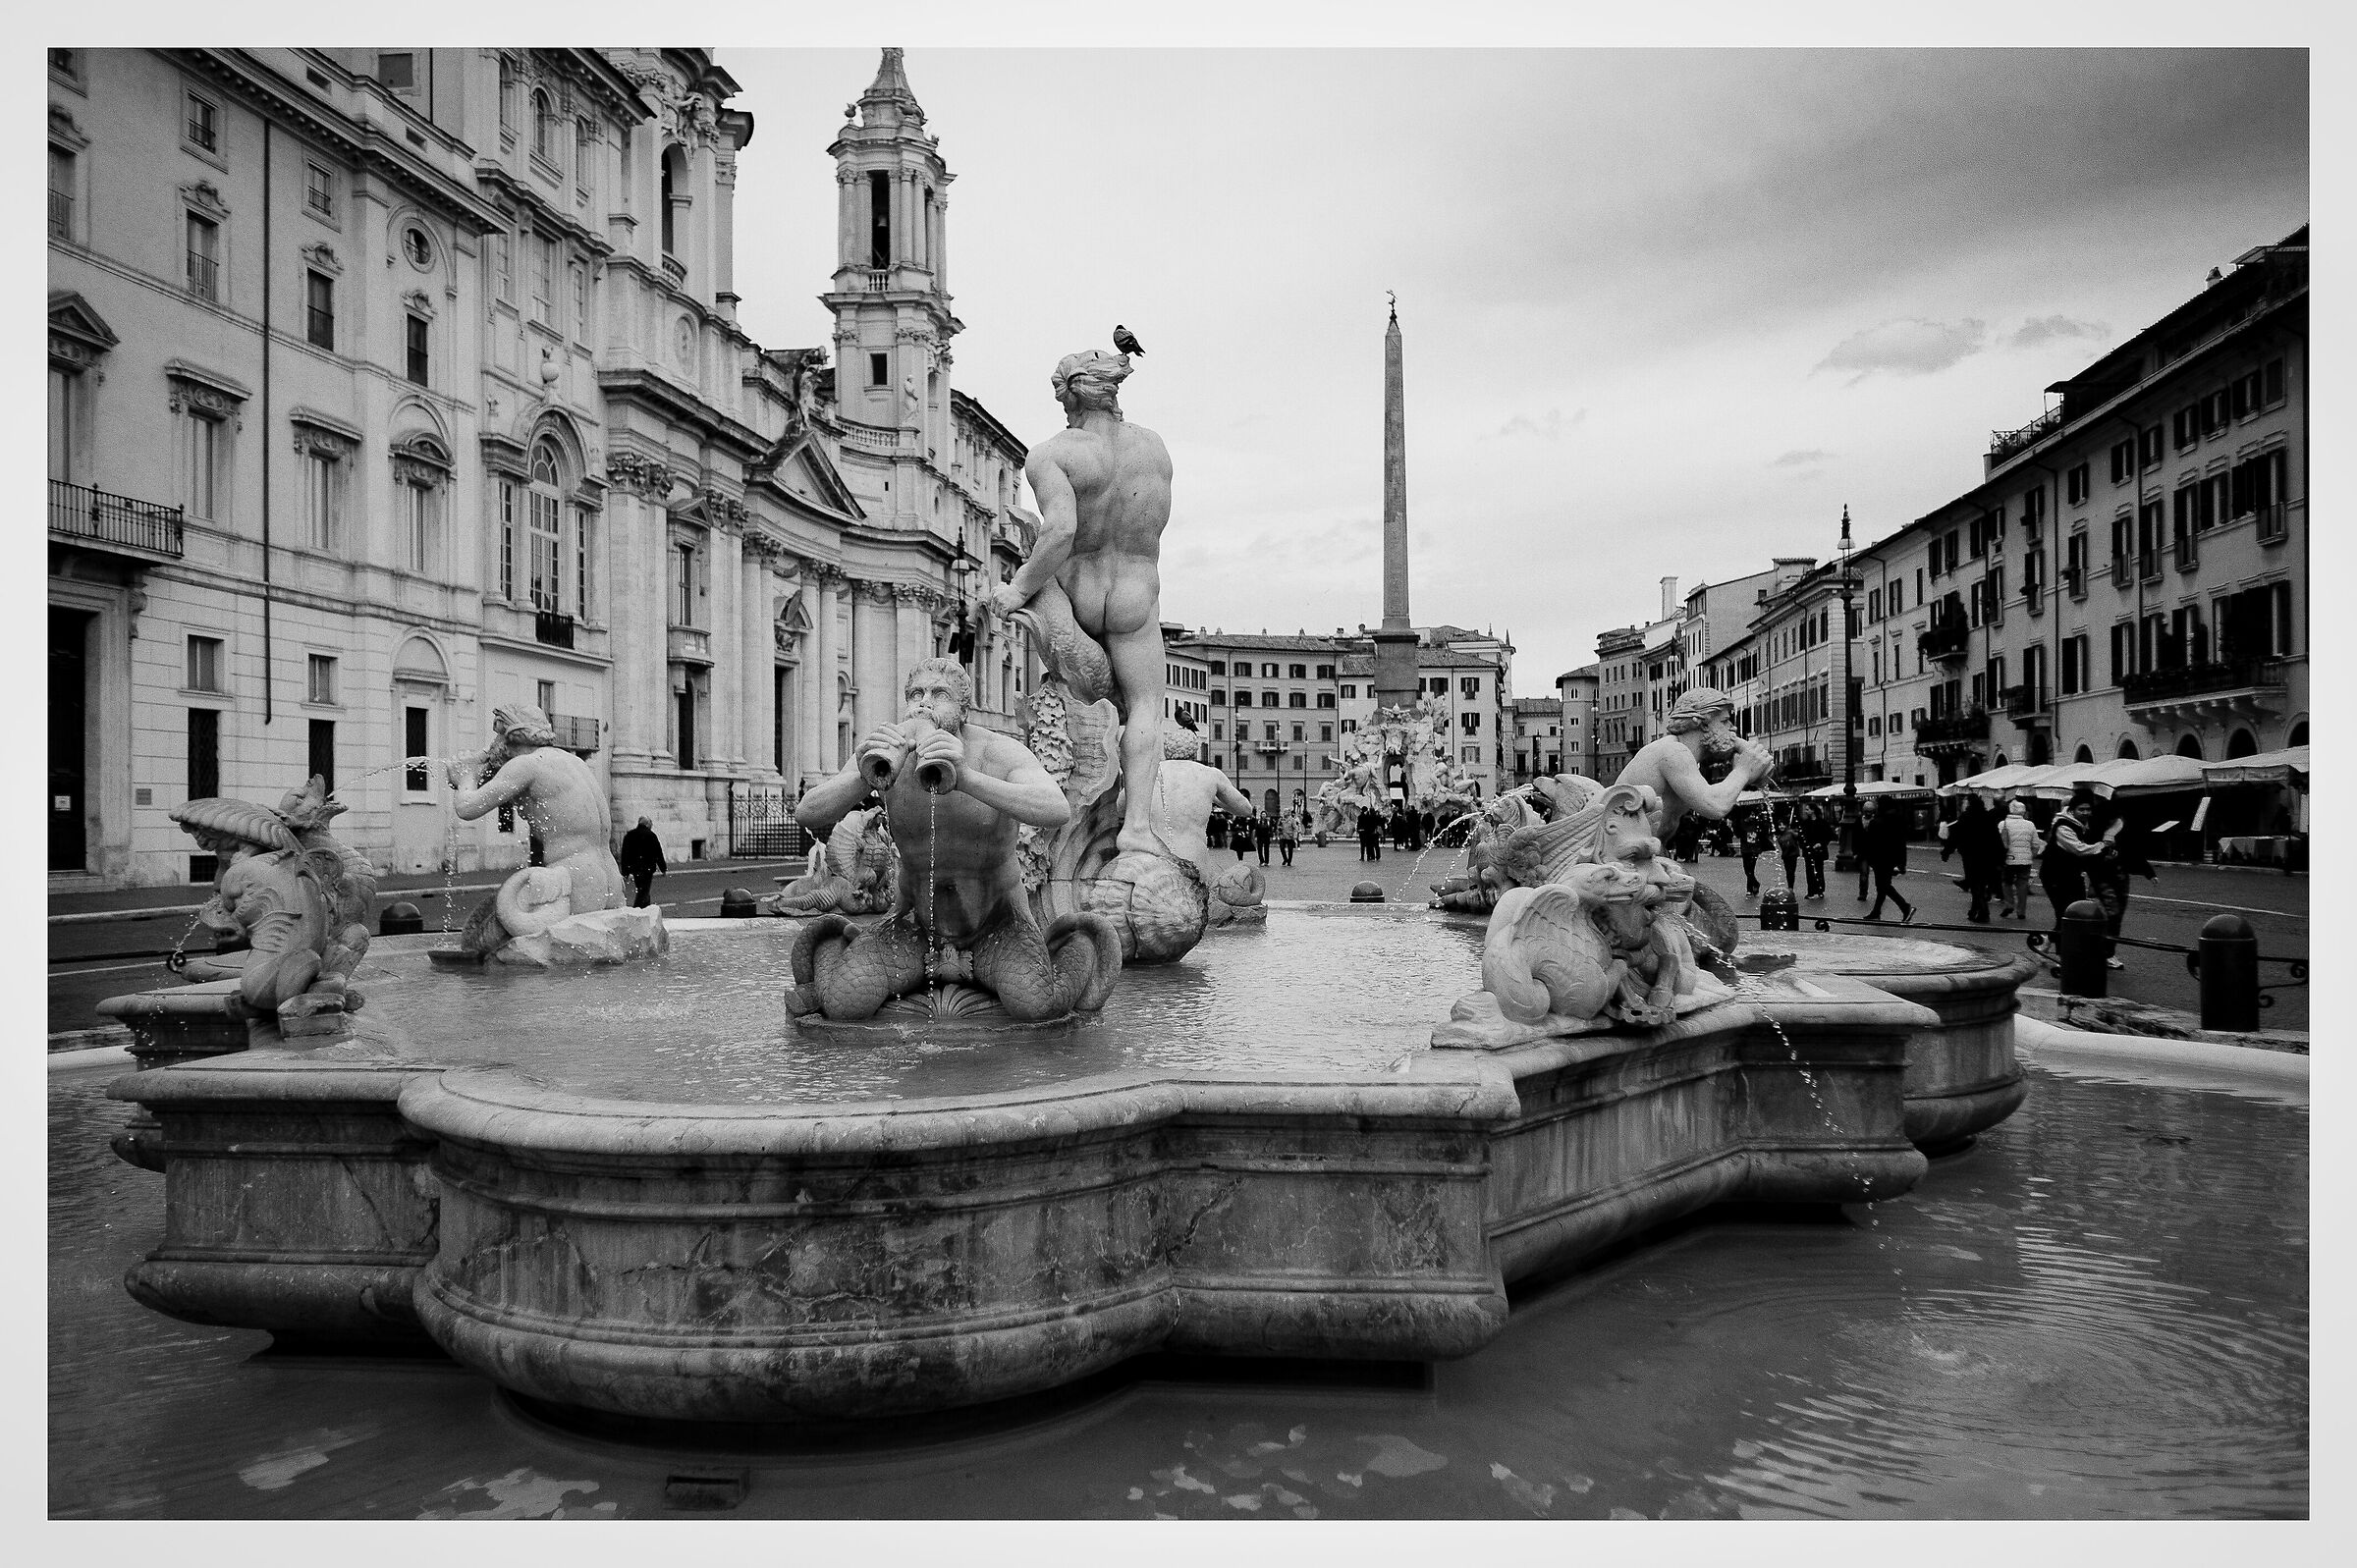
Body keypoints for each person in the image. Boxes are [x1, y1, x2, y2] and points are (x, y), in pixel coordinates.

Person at [793, 659, 1080, 1014]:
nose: (924, 703)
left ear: (963, 710)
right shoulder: (889, 749)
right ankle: (833, 952)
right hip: (915, 923)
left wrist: (966, 777)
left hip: (996, 922)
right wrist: (863, 774)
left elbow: (1056, 809)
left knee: (1036, 1005)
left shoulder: (996, 752)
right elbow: (808, 813)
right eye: (916, 694)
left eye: (938, 694)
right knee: (844, 1005)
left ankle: (1072, 952)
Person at [987, 350, 1173, 858]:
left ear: (1067, 396)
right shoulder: (1154, 449)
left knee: (1067, 702)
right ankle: (1135, 825)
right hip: (1136, 591)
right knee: (1147, 707)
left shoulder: (1051, 454)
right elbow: (1154, 523)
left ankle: (1065, 821)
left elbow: (1062, 530)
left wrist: (1019, 588)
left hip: (1080, 593)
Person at [446, 704, 630, 950]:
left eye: (498, 733)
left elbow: (467, 808)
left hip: (573, 880)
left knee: (479, 939)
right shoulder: (572, 762)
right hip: (610, 882)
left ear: (511, 735)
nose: (494, 744)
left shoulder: (526, 765)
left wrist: (465, 776)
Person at [1612, 687, 1775, 845]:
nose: (1733, 728)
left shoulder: (1686, 759)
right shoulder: (1673, 752)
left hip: (1644, 854)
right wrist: (1743, 771)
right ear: (1703, 724)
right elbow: (1715, 806)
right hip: (1621, 858)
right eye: (1724, 721)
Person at [2083, 803, 2157, 970]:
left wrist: (2149, 872)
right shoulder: (2093, 829)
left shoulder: (2122, 827)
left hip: (2120, 877)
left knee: (2117, 915)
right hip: (2102, 878)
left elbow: (2133, 851)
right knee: (2113, 913)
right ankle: (2106, 952)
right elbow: (2086, 853)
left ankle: (2107, 950)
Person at [2038, 792, 2110, 957]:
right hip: (2055, 876)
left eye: (2088, 809)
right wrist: (2101, 847)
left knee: (2073, 913)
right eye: (2081, 809)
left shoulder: (2082, 824)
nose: (2085, 812)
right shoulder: (2064, 826)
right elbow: (2078, 849)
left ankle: (2046, 944)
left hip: (2072, 875)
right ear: (2072, 810)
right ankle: (2063, 957)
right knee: (2066, 914)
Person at [1942, 796, 2004, 923]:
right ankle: (1974, 911)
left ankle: (1983, 912)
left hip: (1970, 856)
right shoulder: (1987, 817)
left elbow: (1955, 836)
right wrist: (2000, 857)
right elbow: (1996, 839)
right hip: (1987, 856)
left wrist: (1947, 851)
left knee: (1976, 885)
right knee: (1980, 884)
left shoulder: (1966, 817)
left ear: (1969, 804)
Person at [1861, 799, 1916, 924]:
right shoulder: (1898, 821)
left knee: (1883, 886)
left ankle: (1905, 906)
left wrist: (1868, 858)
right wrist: (1902, 863)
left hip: (1879, 859)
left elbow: (1870, 843)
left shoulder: (1877, 822)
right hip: (1892, 859)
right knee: (1882, 886)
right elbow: (1901, 843)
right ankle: (1876, 911)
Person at [1997, 799, 2040, 918]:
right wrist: (2031, 855)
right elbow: (2036, 844)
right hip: (2025, 859)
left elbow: (1999, 843)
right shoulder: (2030, 824)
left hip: (2008, 858)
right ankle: (2021, 911)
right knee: (2022, 884)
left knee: (2006, 882)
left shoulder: (2003, 823)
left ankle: (2009, 904)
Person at [618, 815, 667, 909]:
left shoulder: (630, 835)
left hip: (635, 868)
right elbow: (658, 853)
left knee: (642, 889)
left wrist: (625, 871)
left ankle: (646, 910)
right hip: (647, 868)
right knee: (643, 891)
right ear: (647, 824)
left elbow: (625, 854)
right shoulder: (651, 835)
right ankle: (638, 910)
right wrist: (663, 868)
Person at [1800, 803, 1833, 899]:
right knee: (1809, 871)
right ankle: (1811, 891)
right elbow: (1802, 837)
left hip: (1819, 850)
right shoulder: (1805, 823)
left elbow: (1828, 835)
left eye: (1807, 809)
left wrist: (1821, 844)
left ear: (1813, 810)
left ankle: (1820, 890)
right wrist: (1804, 846)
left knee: (1819, 870)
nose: (1806, 811)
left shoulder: (1822, 822)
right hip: (1809, 850)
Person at [1737, 810, 1770, 894]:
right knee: (1746, 869)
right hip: (1745, 849)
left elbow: (1764, 832)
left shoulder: (1758, 823)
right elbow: (1738, 833)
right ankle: (1755, 883)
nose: (1752, 817)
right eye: (1751, 815)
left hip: (1755, 849)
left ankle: (1749, 889)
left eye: (1753, 815)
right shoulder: (1741, 823)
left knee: (1751, 869)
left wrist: (1764, 821)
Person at [1776, 814, 1803, 892]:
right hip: (1786, 855)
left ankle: (1791, 887)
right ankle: (1790, 886)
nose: (1781, 827)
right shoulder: (1780, 836)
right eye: (1780, 825)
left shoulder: (1790, 832)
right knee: (1788, 872)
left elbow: (1798, 837)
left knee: (1791, 871)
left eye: (1783, 825)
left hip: (1792, 854)